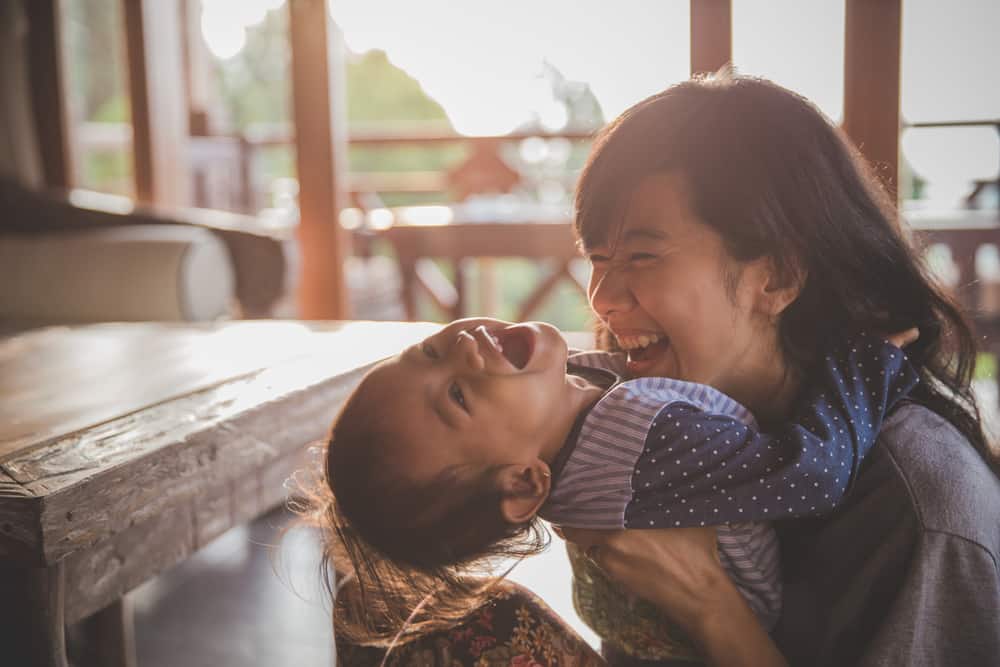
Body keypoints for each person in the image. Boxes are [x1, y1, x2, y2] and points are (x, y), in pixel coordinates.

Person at [557, 71, 1000, 666]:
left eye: (642, 255)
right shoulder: (657, 434)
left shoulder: (915, 502)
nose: (603, 297)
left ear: (780, 276)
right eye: (598, 257)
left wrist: (706, 602)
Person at [320, 315, 916, 661]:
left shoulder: (571, 432)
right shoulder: (645, 444)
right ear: (527, 484)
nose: (462, 345)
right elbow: (811, 474)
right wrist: (865, 367)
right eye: (458, 395)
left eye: (427, 350)